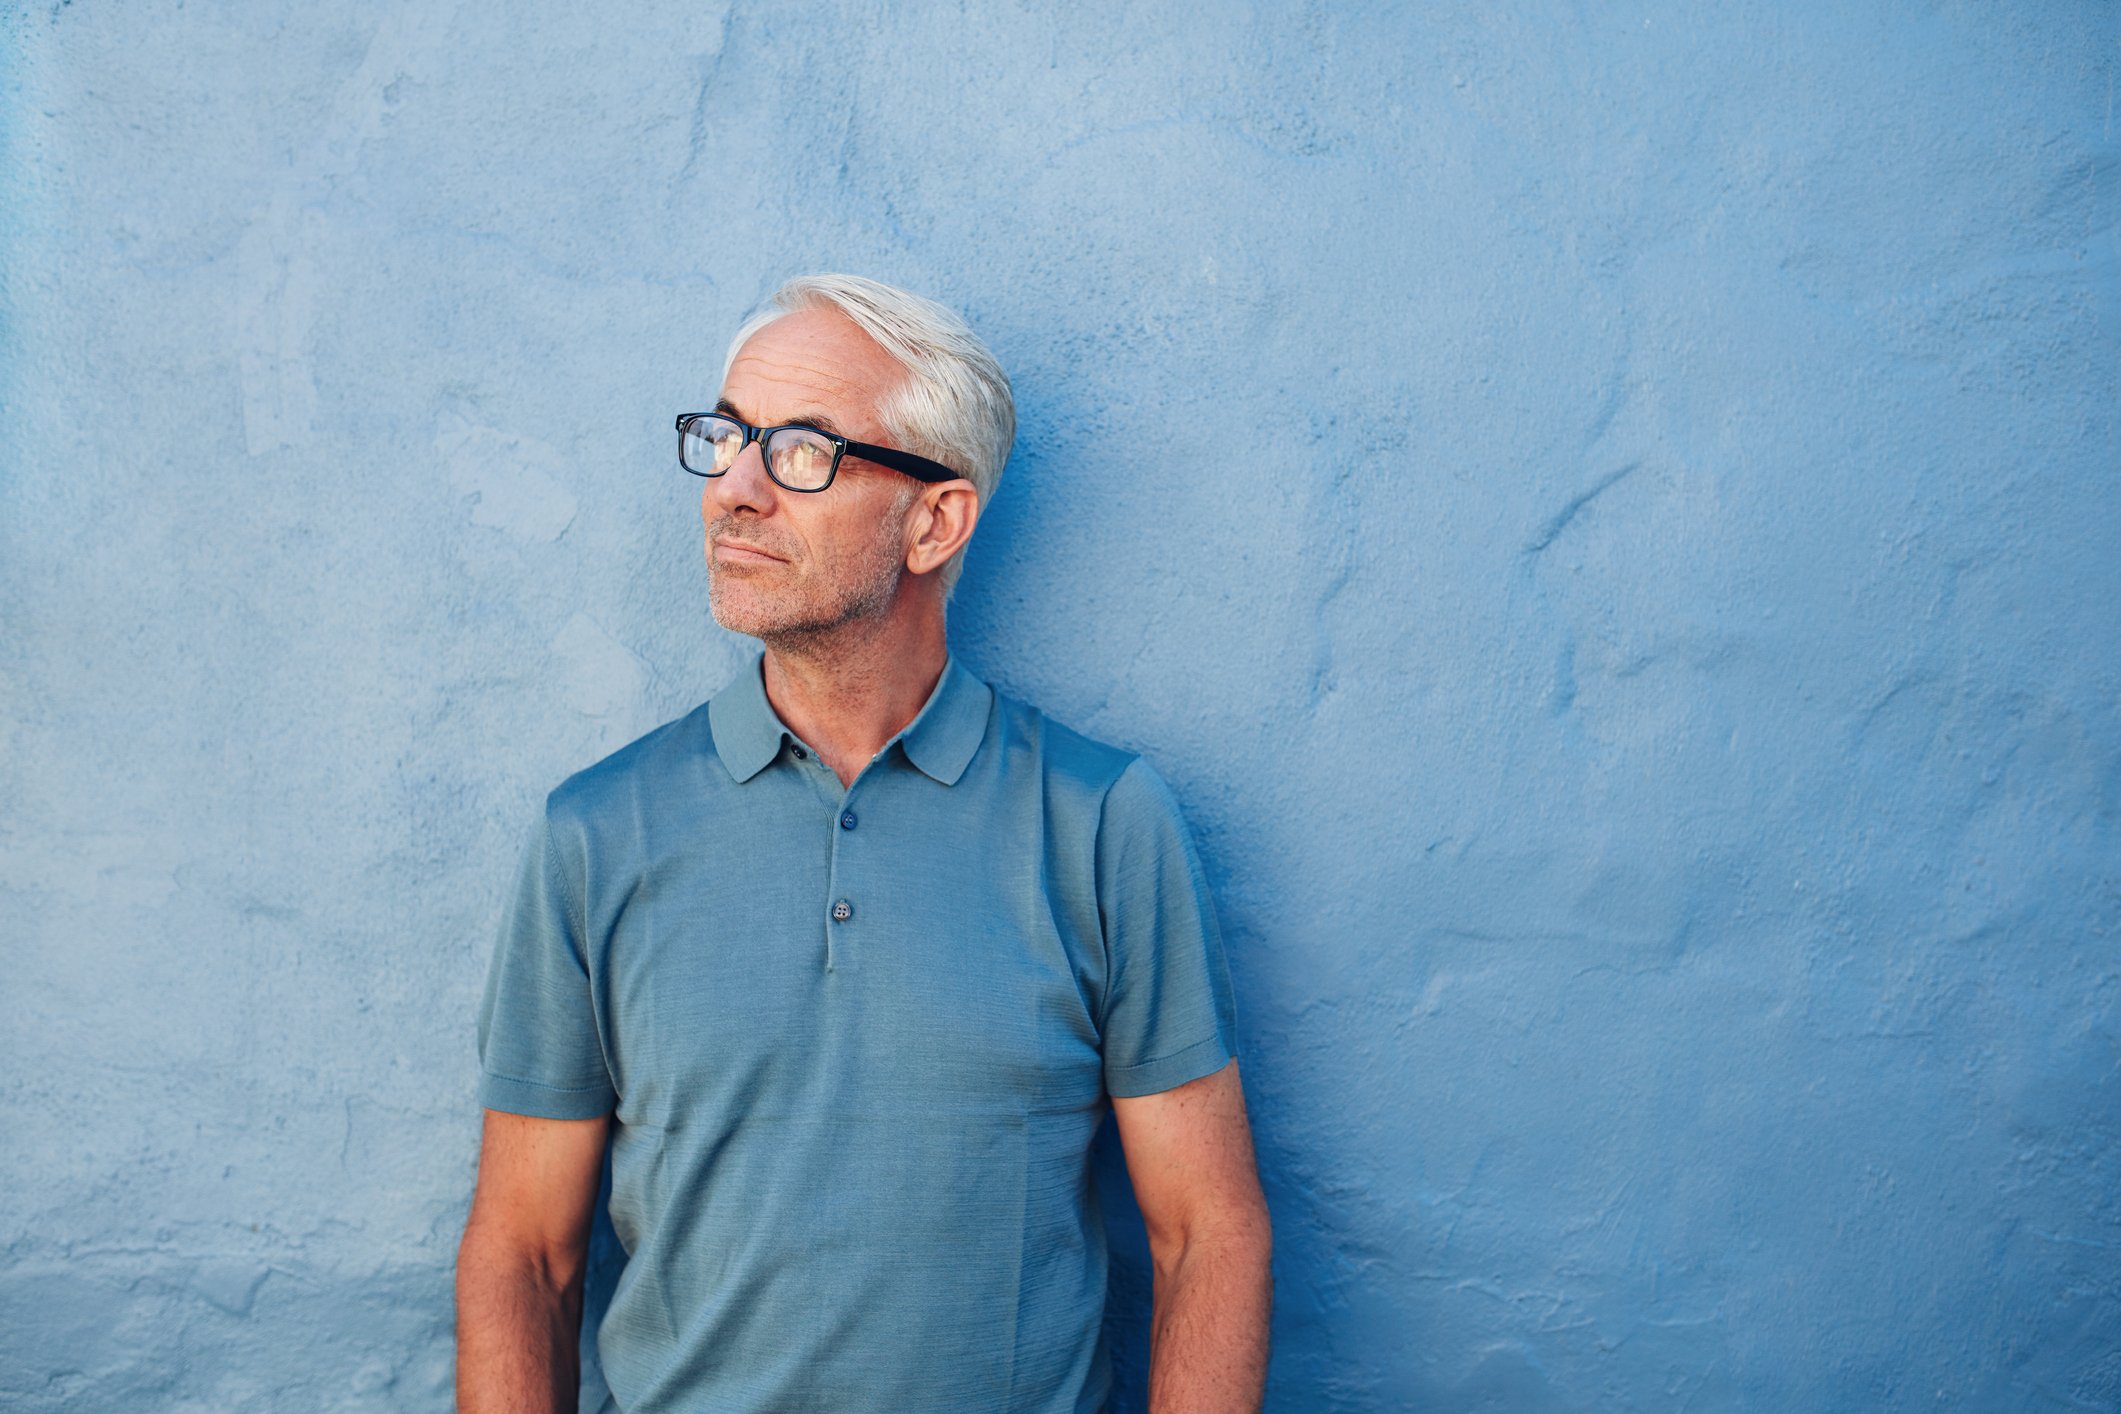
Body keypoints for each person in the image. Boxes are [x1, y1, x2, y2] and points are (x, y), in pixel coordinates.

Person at [454, 274, 1272, 1413]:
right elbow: (523, 1254)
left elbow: (1208, 1232)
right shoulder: (595, 834)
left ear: (934, 520)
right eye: (728, 437)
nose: (732, 490)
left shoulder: (1100, 823)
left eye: (800, 451)